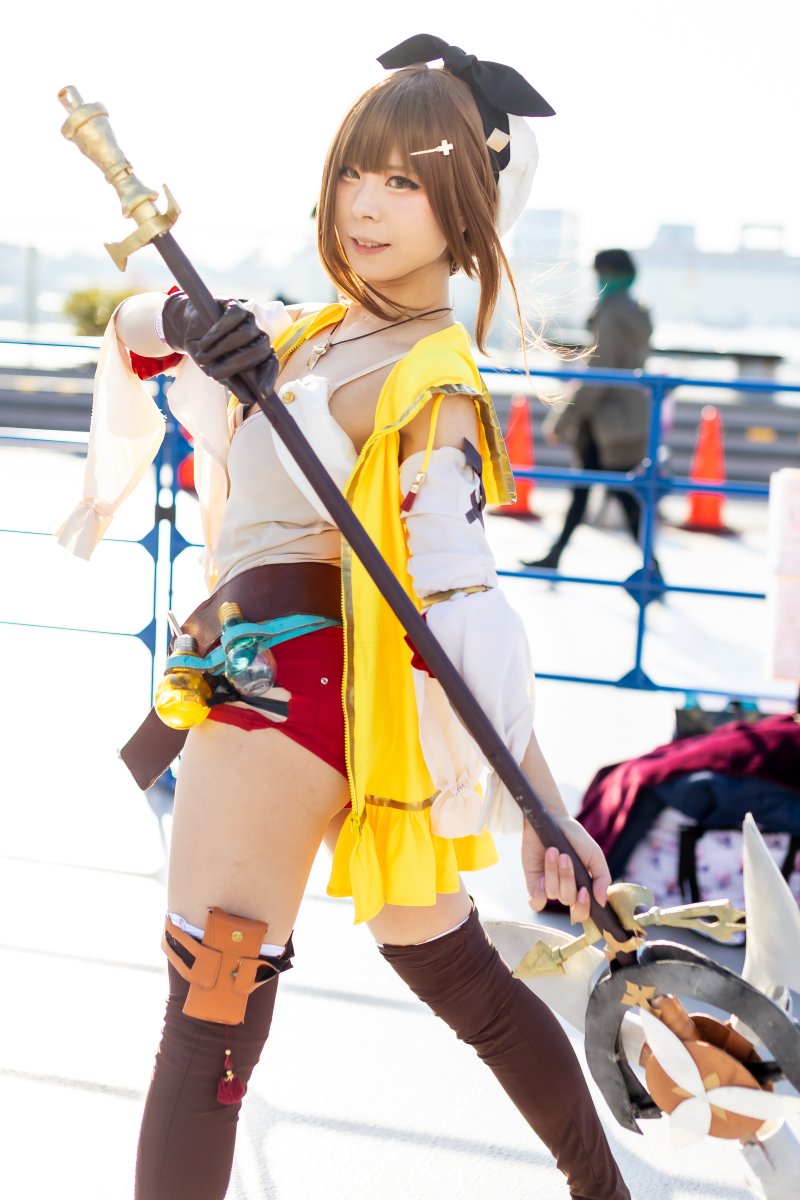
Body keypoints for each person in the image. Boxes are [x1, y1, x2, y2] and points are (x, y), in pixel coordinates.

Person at [57, 35, 631, 1200]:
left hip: (276, 697)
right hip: (345, 709)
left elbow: (458, 613)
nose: (363, 205)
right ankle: (600, 1190)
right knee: (458, 975)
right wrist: (189, 319)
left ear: (469, 207)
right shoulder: (308, 331)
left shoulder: (433, 378)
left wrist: (544, 808)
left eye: (405, 181)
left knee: (208, 1013)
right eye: (351, 174)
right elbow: (131, 326)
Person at [521, 248, 654, 571]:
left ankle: (651, 566)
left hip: (608, 422)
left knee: (620, 495)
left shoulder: (611, 316)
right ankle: (557, 554)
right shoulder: (635, 313)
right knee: (594, 491)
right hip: (623, 419)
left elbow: (597, 376)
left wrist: (563, 419)